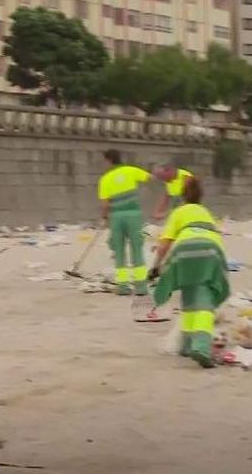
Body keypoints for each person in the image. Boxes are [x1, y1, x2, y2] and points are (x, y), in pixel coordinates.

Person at [147, 178, 230, 368]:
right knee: (204, 299)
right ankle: (200, 346)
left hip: (184, 250)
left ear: (182, 196)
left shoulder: (178, 212)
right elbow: (214, 235)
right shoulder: (206, 212)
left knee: (190, 293)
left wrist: (156, 267)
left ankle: (187, 344)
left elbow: (164, 243)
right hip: (211, 250)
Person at [98, 149, 152, 296]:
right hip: (133, 214)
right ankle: (140, 286)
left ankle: (122, 286)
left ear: (109, 160)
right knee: (137, 249)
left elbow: (105, 204)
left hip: (116, 217)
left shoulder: (105, 179)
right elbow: (149, 178)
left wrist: (104, 218)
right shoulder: (131, 170)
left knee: (119, 251)